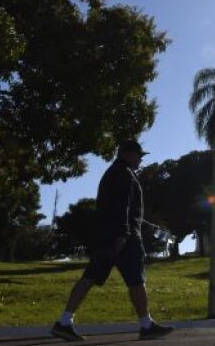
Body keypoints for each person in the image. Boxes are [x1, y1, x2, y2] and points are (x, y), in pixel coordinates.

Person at [51, 140, 174, 342]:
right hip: (123, 239)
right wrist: (124, 233)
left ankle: (64, 322)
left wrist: (137, 225)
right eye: (138, 154)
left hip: (106, 237)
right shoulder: (123, 174)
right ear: (126, 154)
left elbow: (116, 208)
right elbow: (122, 207)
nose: (141, 158)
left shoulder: (114, 173)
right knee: (136, 280)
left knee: (90, 277)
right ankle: (146, 325)